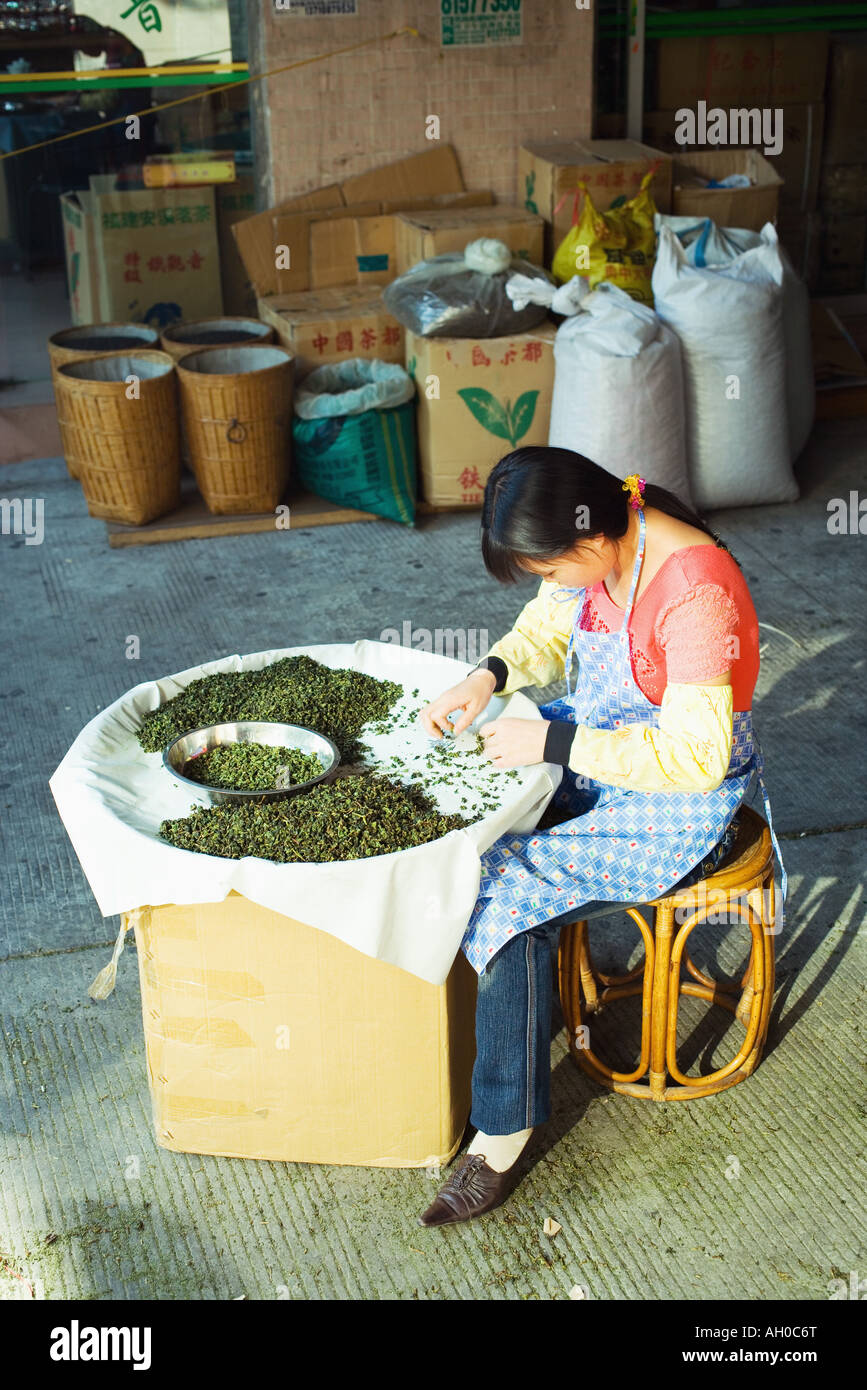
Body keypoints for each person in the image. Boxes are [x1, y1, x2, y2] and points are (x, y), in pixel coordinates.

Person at [417, 447, 782, 1228]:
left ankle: (503, 1131)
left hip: (681, 803)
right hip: (601, 744)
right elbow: (544, 630)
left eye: (549, 569)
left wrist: (550, 746)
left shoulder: (696, 594)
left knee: (505, 888)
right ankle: (504, 1018)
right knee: (458, 815)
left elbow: (691, 758)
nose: (549, 587)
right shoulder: (611, 532)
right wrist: (485, 676)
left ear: (587, 544)